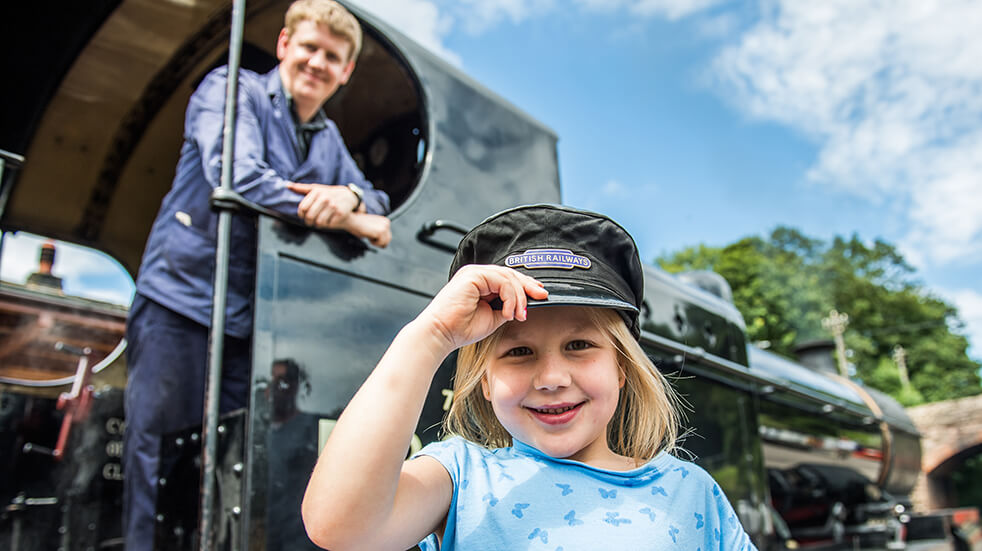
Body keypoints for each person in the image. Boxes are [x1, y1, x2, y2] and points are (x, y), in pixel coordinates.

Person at [301, 204, 758, 550]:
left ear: (622, 366)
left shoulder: (692, 492)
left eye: (580, 346)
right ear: (484, 380)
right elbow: (339, 526)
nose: (552, 377)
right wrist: (432, 334)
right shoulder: (460, 477)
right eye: (518, 352)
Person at [123, 1, 390, 548]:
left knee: (234, 465)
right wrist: (338, 217)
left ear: (346, 72)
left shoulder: (329, 140)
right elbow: (238, 176)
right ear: (286, 44)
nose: (317, 62)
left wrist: (350, 197)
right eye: (310, 47)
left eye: (332, 56)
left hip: (255, 323)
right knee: (157, 455)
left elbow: (381, 213)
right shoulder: (232, 90)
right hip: (184, 300)